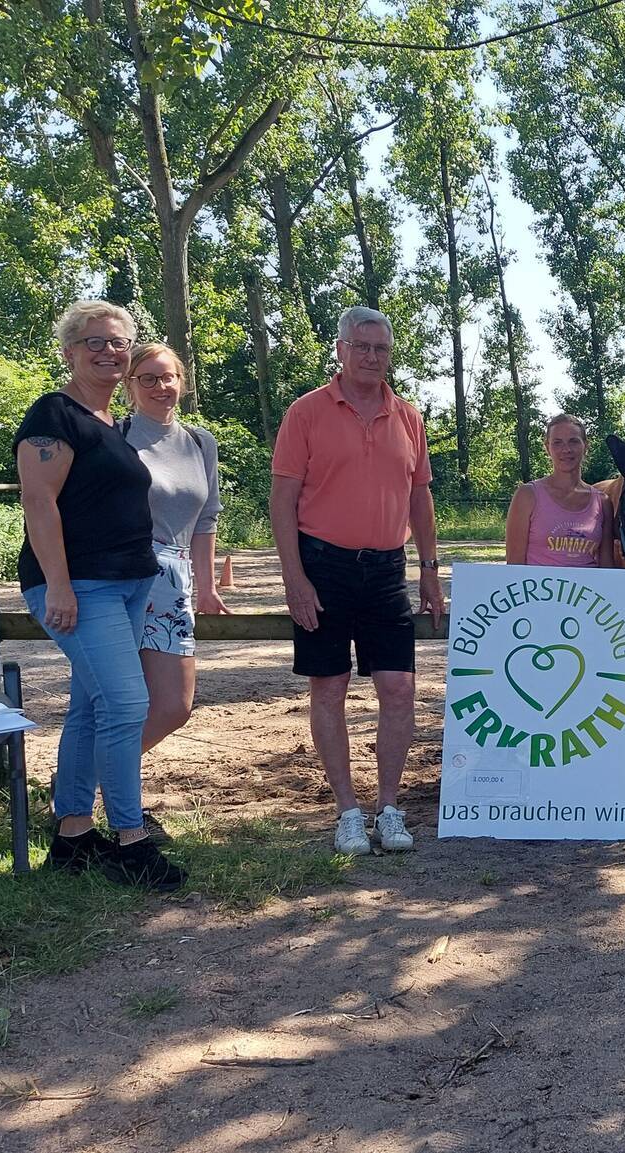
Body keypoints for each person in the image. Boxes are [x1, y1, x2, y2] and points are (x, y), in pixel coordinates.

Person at [15, 301, 186, 890]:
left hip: (129, 583)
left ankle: (72, 837)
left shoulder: (109, 422)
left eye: (117, 343)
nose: (108, 351)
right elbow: (38, 502)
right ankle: (131, 842)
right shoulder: (54, 415)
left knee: (91, 709)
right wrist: (58, 583)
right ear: (69, 351)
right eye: (94, 342)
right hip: (81, 586)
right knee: (127, 704)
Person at [270, 306, 445, 857]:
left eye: (381, 348)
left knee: (398, 688)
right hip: (323, 566)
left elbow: (420, 497)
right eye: (361, 346)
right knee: (330, 687)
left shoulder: (408, 416)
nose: (371, 357)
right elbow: (282, 500)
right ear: (341, 349)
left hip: (388, 568)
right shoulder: (306, 413)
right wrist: (294, 578)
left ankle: (389, 808)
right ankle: (347, 811)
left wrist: (430, 572)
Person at [123, 342, 228, 841]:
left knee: (173, 704)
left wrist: (206, 587)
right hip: (123, 574)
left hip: (175, 577)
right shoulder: (115, 436)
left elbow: (206, 519)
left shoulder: (200, 442)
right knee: (122, 701)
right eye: (148, 378)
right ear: (129, 385)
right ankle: (120, 804)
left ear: (182, 381)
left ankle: (90, 780)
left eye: (168, 377)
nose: (161, 387)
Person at [504, 414, 613, 567]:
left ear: (585, 446)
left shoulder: (602, 502)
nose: (566, 449)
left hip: (584, 591)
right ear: (547, 448)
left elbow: (607, 569)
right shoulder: (527, 496)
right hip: (538, 590)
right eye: (557, 443)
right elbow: (514, 565)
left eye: (573, 441)